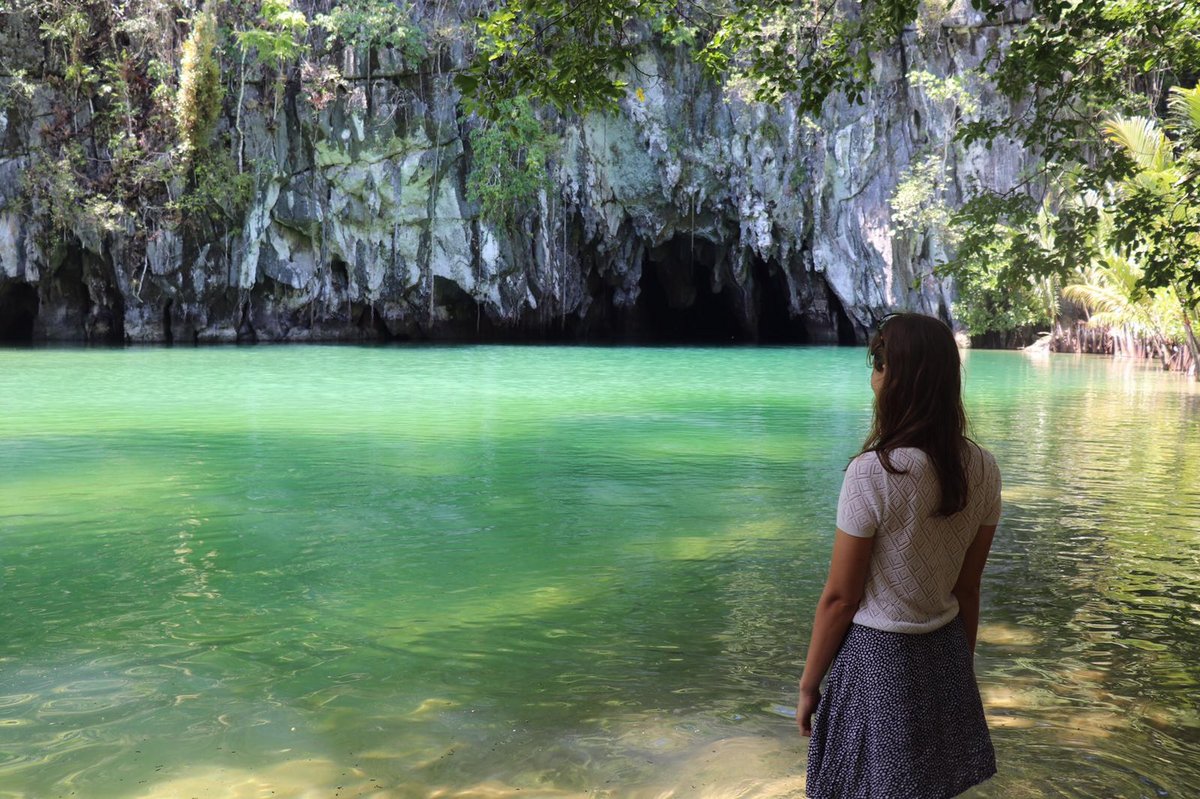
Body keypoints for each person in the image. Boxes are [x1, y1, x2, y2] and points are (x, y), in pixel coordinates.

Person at [797, 312, 1001, 798]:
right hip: (945, 650)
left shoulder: (873, 472)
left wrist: (808, 686)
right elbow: (967, 588)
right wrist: (958, 673)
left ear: (898, 378)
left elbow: (841, 599)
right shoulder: (984, 469)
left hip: (878, 660)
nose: (875, 375)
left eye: (880, 363)